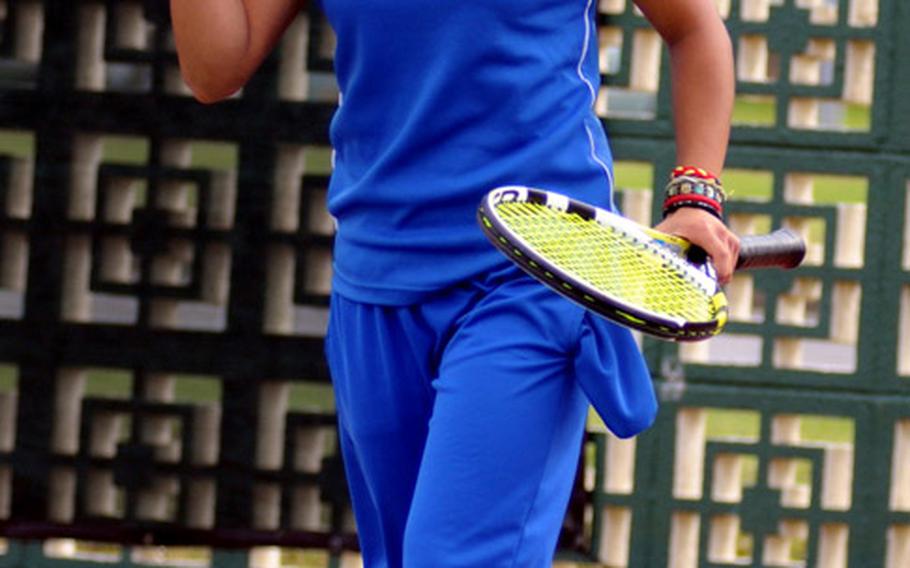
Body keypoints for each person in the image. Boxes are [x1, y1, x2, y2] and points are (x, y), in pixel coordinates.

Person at [171, 0, 740, 566]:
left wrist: (696, 196)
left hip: (532, 270)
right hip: (373, 284)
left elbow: (694, 29)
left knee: (453, 558)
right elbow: (216, 68)